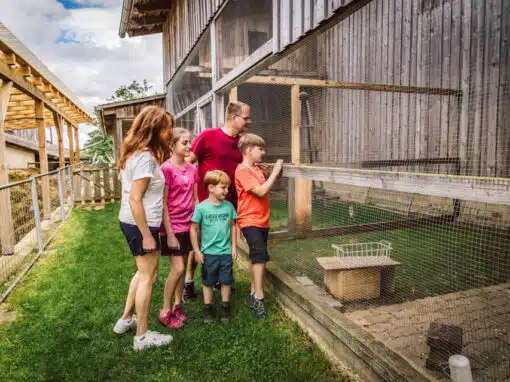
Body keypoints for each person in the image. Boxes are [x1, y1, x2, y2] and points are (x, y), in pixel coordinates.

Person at [113, 106, 174, 351]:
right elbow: (135, 198)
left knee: (142, 273)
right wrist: (147, 235)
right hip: (140, 224)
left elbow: (127, 186)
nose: (170, 133)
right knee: (149, 277)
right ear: (156, 129)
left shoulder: (134, 154)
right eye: (168, 128)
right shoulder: (145, 159)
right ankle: (142, 336)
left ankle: (126, 319)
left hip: (133, 221)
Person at [183, 101, 250, 299]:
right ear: (233, 117)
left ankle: (220, 279)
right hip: (205, 204)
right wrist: (191, 195)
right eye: (246, 118)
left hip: (229, 204)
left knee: (222, 242)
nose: (249, 122)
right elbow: (187, 162)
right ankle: (188, 281)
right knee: (199, 243)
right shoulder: (209, 136)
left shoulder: (242, 143)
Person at [235, 134, 283, 319]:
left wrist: (266, 174)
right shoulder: (242, 170)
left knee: (257, 257)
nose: (263, 152)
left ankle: (252, 293)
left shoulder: (255, 168)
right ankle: (259, 298)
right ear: (248, 150)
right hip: (249, 219)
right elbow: (261, 191)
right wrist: (275, 172)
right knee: (260, 255)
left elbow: (263, 184)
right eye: (260, 149)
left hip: (263, 219)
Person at [159, 128, 199, 329]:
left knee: (183, 269)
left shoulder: (193, 169)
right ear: (172, 145)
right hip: (172, 226)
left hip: (188, 225)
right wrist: (170, 234)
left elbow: (195, 198)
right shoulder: (165, 169)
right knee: (178, 268)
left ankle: (177, 306)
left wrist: (197, 223)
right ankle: (165, 311)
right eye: (184, 142)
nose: (189, 146)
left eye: (189, 142)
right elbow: (163, 204)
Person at [190, 170, 238, 323]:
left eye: (227, 187)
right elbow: (193, 229)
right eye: (223, 187)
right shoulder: (201, 208)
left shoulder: (229, 206)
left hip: (225, 252)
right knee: (208, 282)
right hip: (208, 253)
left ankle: (225, 307)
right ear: (211, 188)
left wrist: (234, 247)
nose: (227, 191)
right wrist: (197, 251)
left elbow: (233, 226)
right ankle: (208, 309)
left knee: (226, 280)